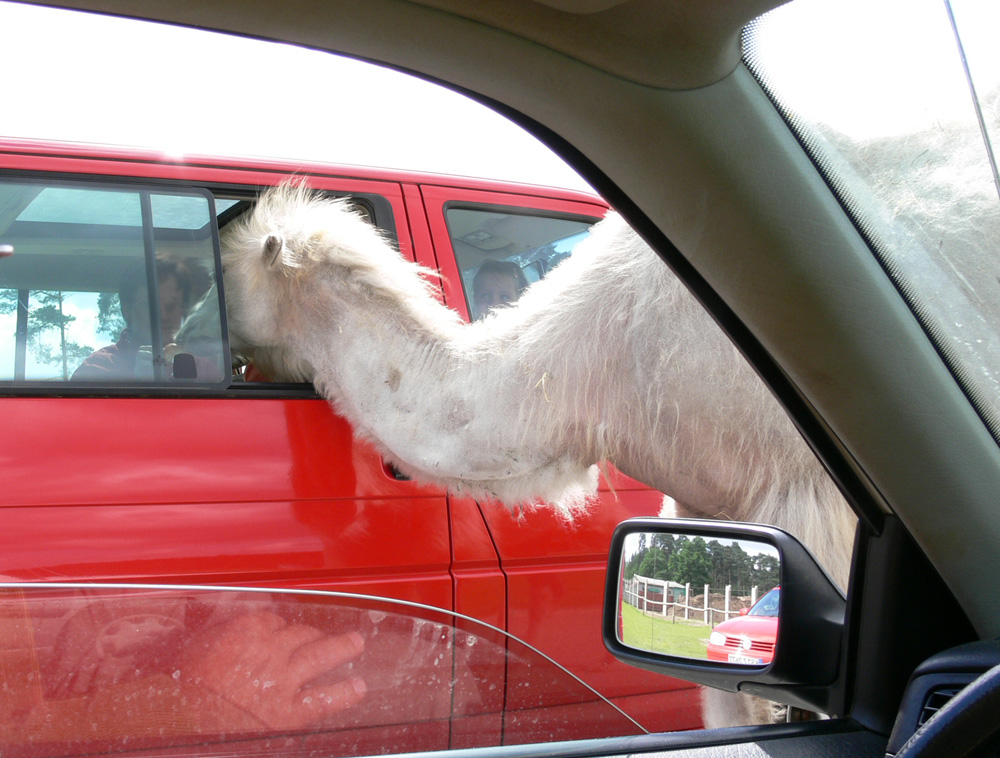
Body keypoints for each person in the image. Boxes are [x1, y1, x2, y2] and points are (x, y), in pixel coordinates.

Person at [72, 256, 209, 381]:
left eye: (172, 304)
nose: (164, 315)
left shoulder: (204, 369)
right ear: (127, 310)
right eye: (151, 305)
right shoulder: (98, 368)